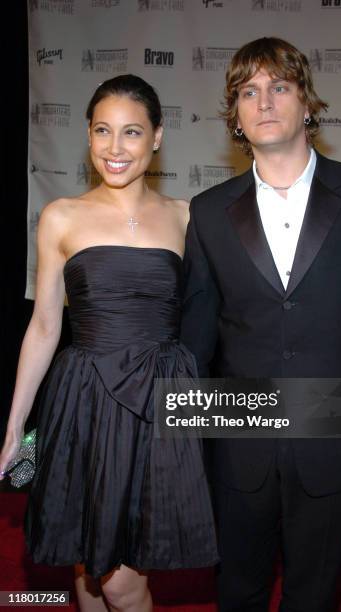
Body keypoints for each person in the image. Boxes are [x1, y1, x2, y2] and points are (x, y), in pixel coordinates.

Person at [180, 37, 341, 612]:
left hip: (338, 422)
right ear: (236, 115)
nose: (265, 101)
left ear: (307, 102)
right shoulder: (206, 211)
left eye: (279, 86)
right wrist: (182, 437)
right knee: (236, 592)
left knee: (315, 595)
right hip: (237, 433)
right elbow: (197, 337)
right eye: (248, 91)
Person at [0, 74, 218, 612]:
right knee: (87, 560)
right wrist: (14, 429)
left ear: (158, 137)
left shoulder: (189, 216)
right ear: (88, 135)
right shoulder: (60, 216)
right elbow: (45, 327)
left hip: (158, 401)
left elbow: (217, 316)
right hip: (85, 397)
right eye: (102, 131)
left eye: (131, 133)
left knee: (121, 579)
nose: (114, 149)